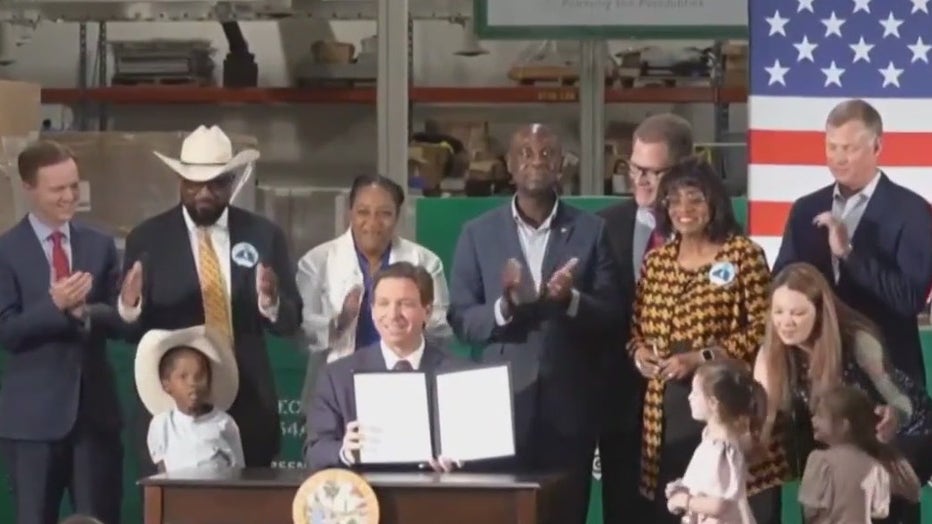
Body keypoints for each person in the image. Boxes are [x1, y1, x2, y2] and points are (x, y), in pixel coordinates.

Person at [447, 124, 620, 524]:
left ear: (562, 166)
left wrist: (570, 300)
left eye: (547, 153)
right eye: (525, 152)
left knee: (565, 513)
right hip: (498, 408)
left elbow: (612, 313)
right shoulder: (477, 234)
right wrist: (505, 307)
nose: (536, 161)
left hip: (570, 408)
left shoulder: (592, 231)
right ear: (509, 166)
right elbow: (461, 319)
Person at [117, 125, 302, 473]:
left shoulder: (264, 235)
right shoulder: (148, 239)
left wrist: (270, 301)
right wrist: (129, 306)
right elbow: (131, 333)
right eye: (194, 182)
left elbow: (292, 320)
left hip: (249, 400)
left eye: (216, 183)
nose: (204, 192)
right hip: (173, 408)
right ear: (180, 182)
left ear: (231, 182)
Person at [627, 159, 785, 524]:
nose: (684, 210)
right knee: (679, 505)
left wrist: (704, 357)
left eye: (695, 199)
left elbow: (767, 328)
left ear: (714, 203)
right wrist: (639, 353)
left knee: (730, 508)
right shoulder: (656, 262)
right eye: (674, 200)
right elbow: (635, 329)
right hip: (666, 409)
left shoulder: (743, 255)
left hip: (728, 402)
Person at [0, 141, 124, 524]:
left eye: (74, 186)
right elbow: (7, 331)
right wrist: (53, 307)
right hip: (32, 423)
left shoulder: (100, 245)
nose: (69, 196)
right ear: (28, 188)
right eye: (58, 189)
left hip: (94, 418)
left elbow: (122, 322)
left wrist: (108, 308)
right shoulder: (6, 252)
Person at [772, 98, 932, 388]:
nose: (838, 158)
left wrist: (848, 255)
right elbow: (782, 283)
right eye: (831, 147)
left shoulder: (913, 212)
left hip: (888, 375)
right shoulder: (805, 209)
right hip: (814, 376)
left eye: (849, 149)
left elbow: (909, 299)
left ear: (877, 148)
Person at [755, 262, 932, 523]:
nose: (786, 323)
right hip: (838, 445)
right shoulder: (771, 353)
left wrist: (894, 414)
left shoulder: (856, 339)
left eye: (797, 313)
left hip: (902, 435)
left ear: (819, 311)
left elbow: (898, 398)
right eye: (778, 312)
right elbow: (765, 415)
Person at [596, 113, 696, 524]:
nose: (640, 180)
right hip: (622, 409)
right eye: (635, 168)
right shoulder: (603, 227)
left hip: (687, 407)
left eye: (654, 172)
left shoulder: (712, 234)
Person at [296, 174, 452, 413]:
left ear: (398, 216)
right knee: (337, 448)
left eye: (384, 214)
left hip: (408, 384)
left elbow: (441, 328)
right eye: (363, 212)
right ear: (350, 213)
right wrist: (338, 323)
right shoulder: (317, 261)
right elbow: (300, 331)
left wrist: (413, 320)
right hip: (337, 389)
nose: (373, 223)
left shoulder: (425, 262)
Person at [304, 262, 467, 472]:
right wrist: (345, 452)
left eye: (405, 304)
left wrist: (463, 458)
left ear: (427, 311)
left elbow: (492, 452)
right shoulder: (337, 377)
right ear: (372, 311)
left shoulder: (458, 375)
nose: (392, 314)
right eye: (383, 303)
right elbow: (315, 451)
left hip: (437, 499)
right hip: (366, 498)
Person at [798, 386, 922, 524]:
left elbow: (810, 510)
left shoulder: (820, 460)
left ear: (844, 425)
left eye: (820, 415)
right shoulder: (875, 465)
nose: (813, 420)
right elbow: (881, 510)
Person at [665, 358, 766, 524]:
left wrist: (684, 501)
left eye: (695, 393)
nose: (689, 397)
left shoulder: (722, 450)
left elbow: (719, 504)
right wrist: (684, 488)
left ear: (713, 403)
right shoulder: (711, 440)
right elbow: (709, 483)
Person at [136, 325, 244, 472]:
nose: (192, 383)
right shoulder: (162, 425)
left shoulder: (225, 423)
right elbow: (161, 478)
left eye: (199, 376)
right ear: (167, 385)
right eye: (183, 377)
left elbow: (238, 472)